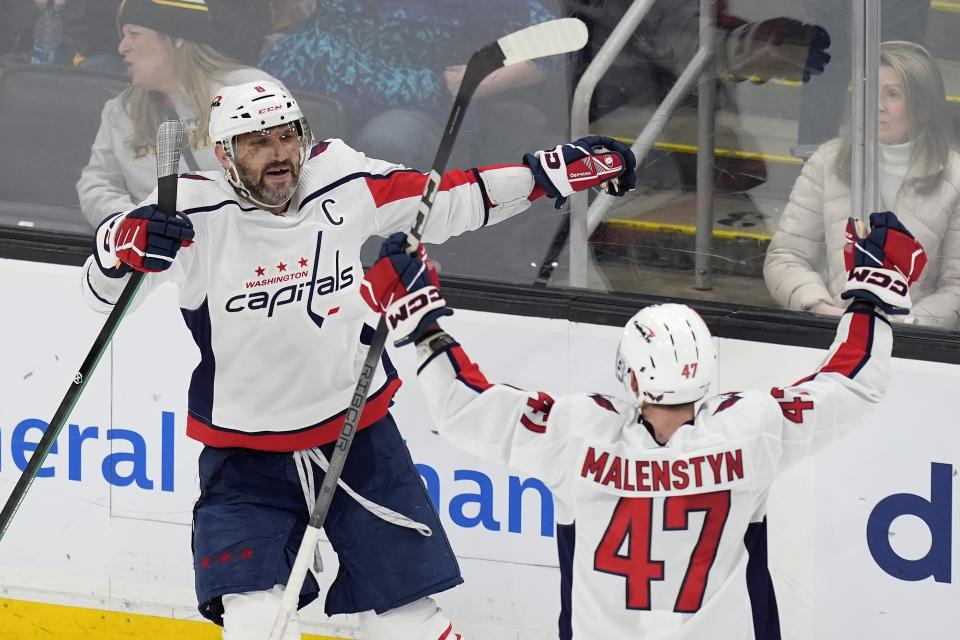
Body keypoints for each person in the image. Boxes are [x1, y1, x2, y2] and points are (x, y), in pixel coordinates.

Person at [79, 78, 636, 639]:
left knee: (409, 624)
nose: (279, 154)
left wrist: (545, 175)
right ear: (224, 155)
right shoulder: (190, 212)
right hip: (244, 462)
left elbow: (450, 198)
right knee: (254, 625)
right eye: (257, 142)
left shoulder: (343, 178)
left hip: (357, 442)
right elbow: (100, 297)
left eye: (287, 136)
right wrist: (116, 248)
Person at [360, 211, 926, 639]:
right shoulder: (753, 429)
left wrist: (424, 322)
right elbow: (852, 380)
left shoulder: (576, 433)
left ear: (629, 375)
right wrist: (871, 299)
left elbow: (464, 404)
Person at [764, 41, 960, 329]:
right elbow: (786, 257)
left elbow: (956, 285)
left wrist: (910, 325)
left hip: (915, 347)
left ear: (922, 109)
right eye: (871, 93)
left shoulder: (955, 176)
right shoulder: (827, 161)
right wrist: (820, 307)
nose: (877, 105)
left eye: (893, 94)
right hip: (833, 337)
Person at [256, 0, 567, 170]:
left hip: (413, 99)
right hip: (309, 79)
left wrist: (484, 79)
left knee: (386, 142)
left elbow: (554, 41)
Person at [76, 0, 283, 229]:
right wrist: (140, 225)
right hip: (160, 257)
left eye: (133, 34)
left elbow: (289, 175)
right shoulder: (121, 111)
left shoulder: (252, 91)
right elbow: (97, 186)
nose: (122, 47)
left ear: (177, 38)